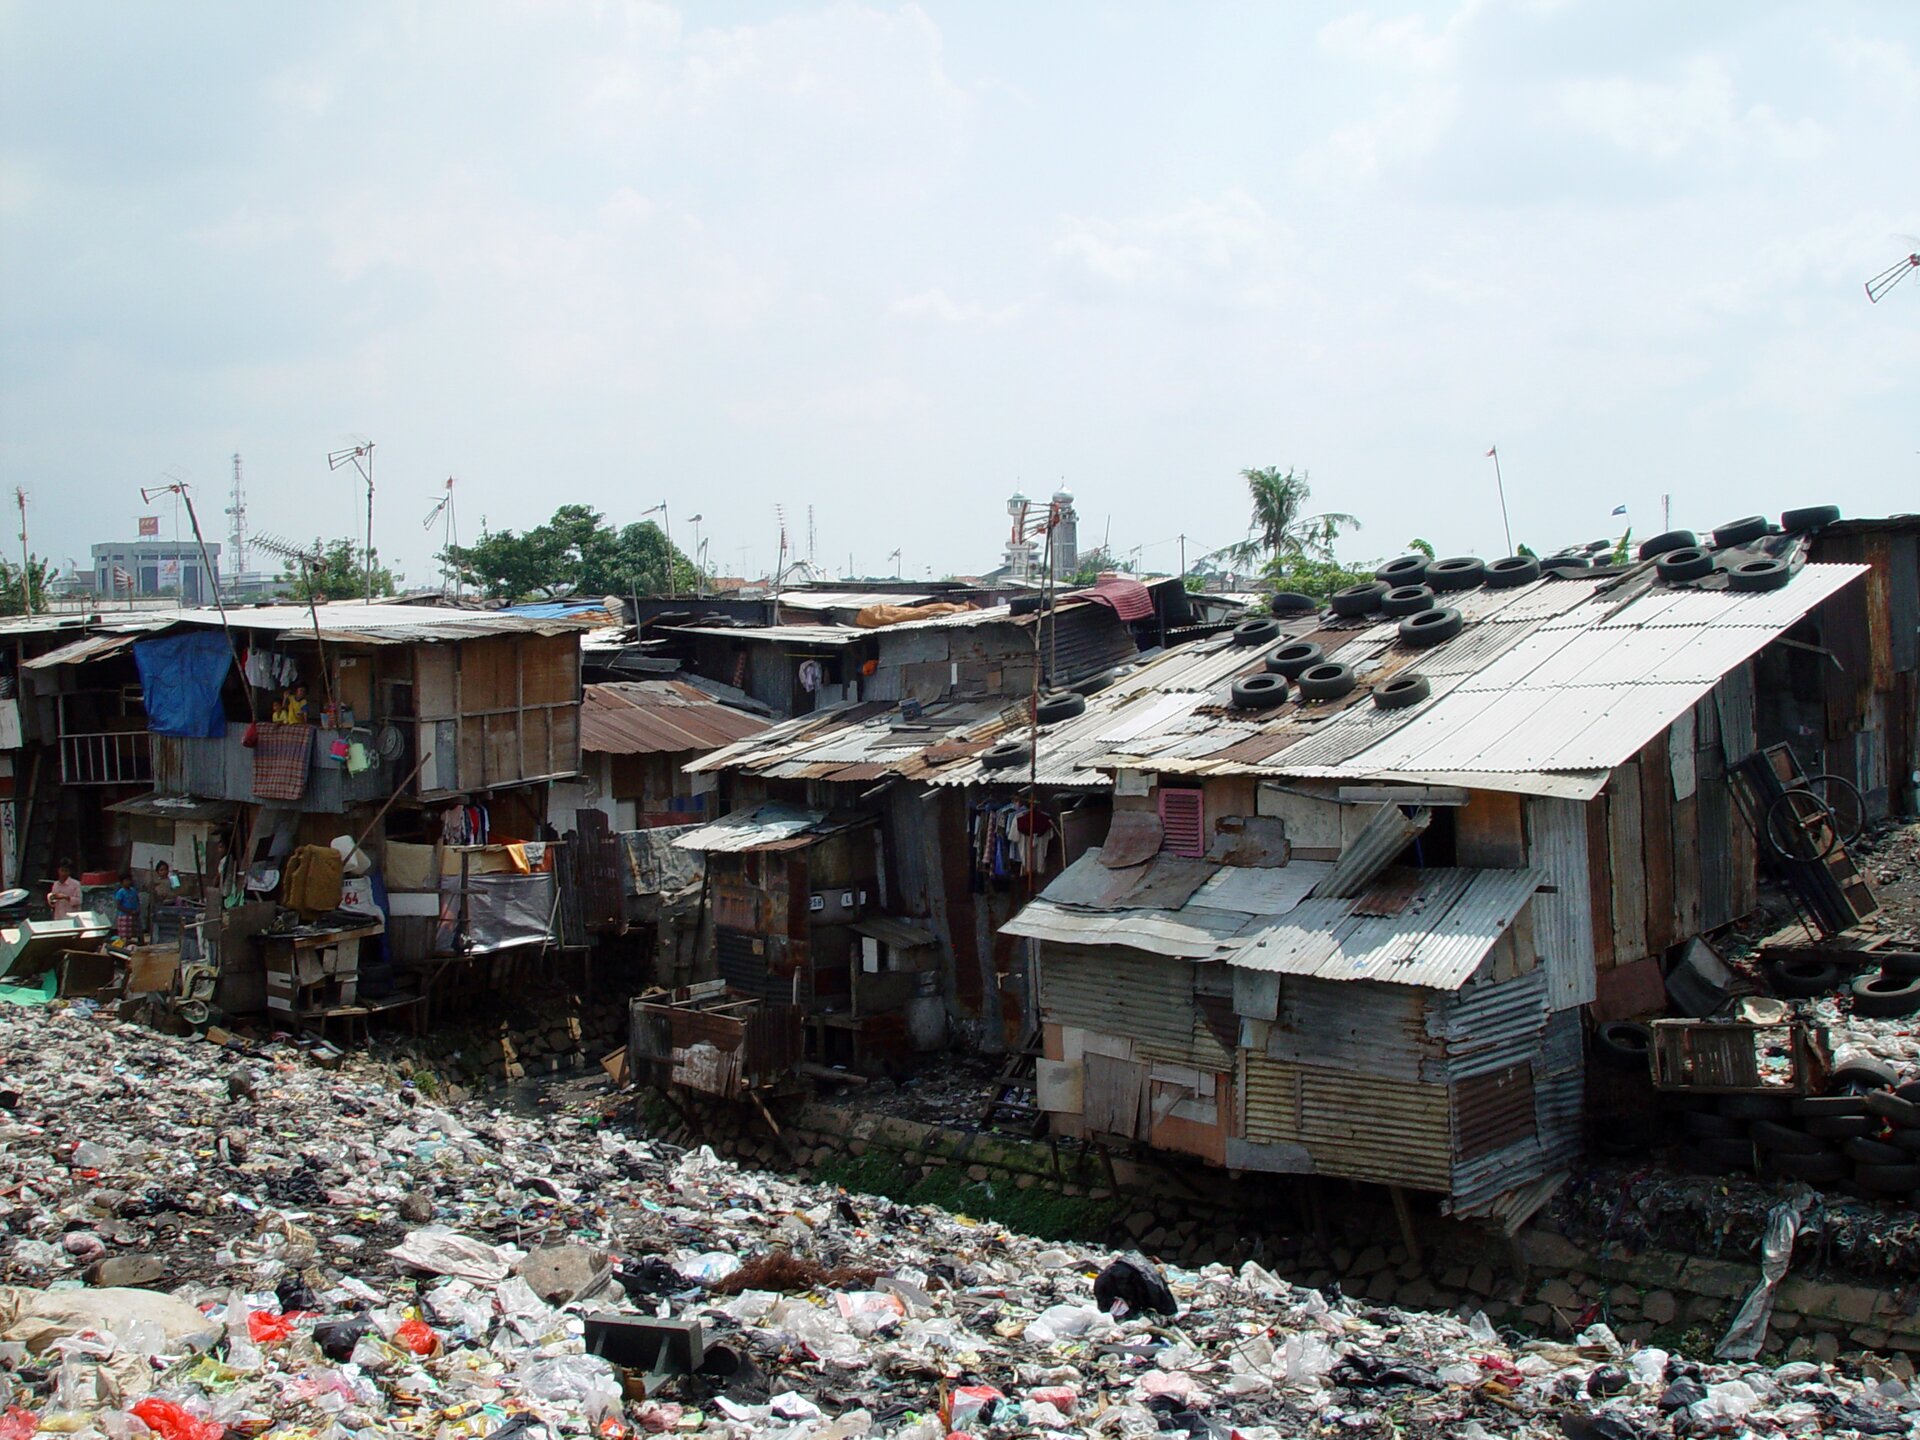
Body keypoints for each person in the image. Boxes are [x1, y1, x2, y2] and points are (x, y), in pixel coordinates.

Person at [145, 860, 176, 939]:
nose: (164, 872)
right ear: (158, 872)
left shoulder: (173, 879)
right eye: (161, 870)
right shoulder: (156, 882)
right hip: (160, 904)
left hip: (171, 903)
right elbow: (152, 893)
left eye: (166, 869)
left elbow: (179, 890)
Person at [112, 870, 140, 942]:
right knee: (124, 936)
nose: (128, 882)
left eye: (129, 880)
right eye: (126, 881)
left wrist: (137, 910)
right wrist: (129, 911)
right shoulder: (121, 892)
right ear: (121, 882)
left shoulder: (133, 890)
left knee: (132, 934)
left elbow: (137, 901)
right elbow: (118, 905)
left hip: (133, 915)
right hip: (124, 916)